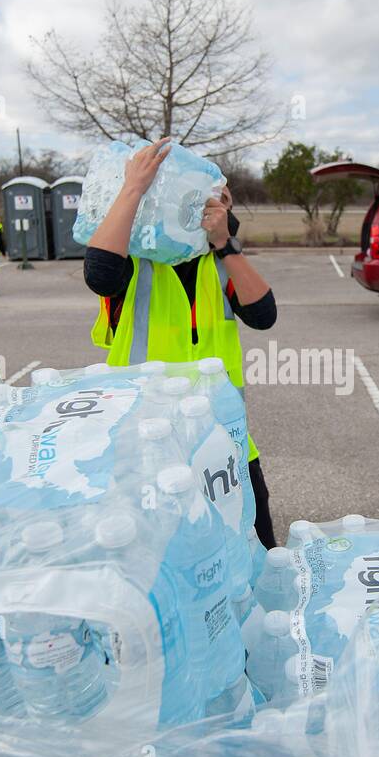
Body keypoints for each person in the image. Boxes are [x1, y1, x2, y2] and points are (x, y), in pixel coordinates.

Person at [84, 137, 279, 548]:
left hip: (224, 438)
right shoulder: (135, 264)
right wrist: (134, 188)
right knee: (167, 555)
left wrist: (226, 244)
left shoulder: (219, 263)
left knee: (255, 545)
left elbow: (264, 315)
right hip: (147, 442)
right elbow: (99, 272)